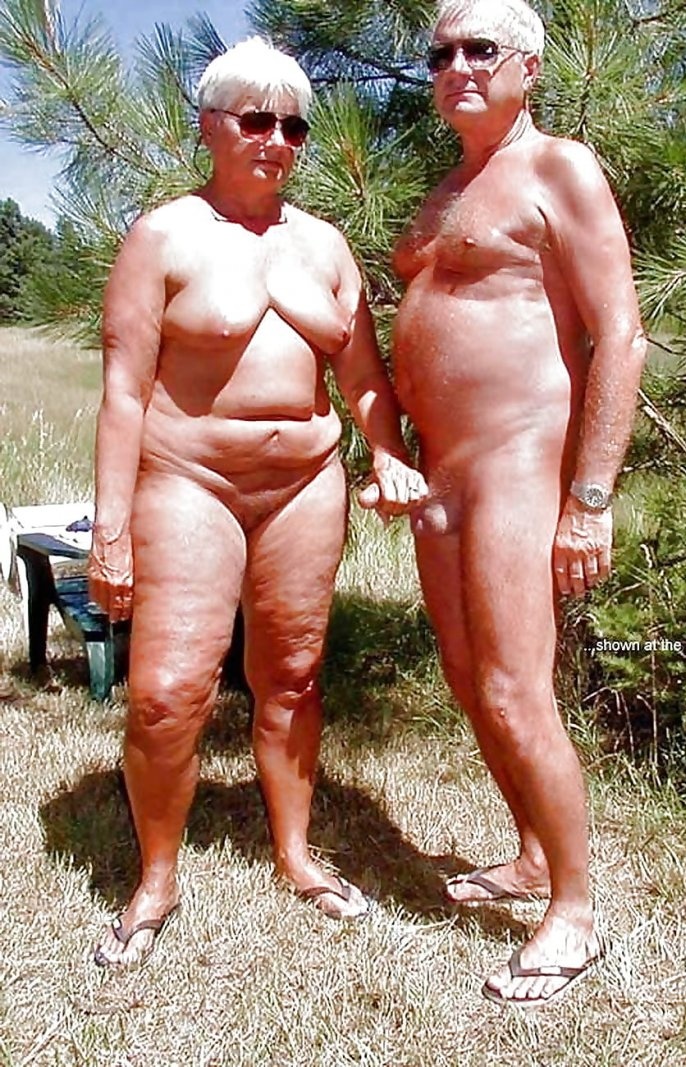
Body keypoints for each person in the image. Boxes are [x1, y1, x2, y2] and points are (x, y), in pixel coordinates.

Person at [89, 36, 427, 967]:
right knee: (167, 693)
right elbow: (123, 391)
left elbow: (362, 377)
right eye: (256, 120)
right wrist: (111, 532)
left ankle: (296, 853)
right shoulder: (164, 236)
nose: (277, 139)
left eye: (294, 126)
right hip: (188, 479)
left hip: (305, 483)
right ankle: (156, 878)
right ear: (210, 126)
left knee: (293, 676)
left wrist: (388, 451)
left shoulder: (323, 245)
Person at [392, 0, 646, 1006]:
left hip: (517, 462)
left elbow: (619, 333)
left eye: (479, 49)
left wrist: (589, 499)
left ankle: (574, 912)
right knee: (467, 677)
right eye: (440, 53)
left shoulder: (558, 168)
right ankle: (535, 855)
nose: (456, 65)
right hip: (440, 470)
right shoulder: (447, 190)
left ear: (528, 67)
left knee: (512, 687)